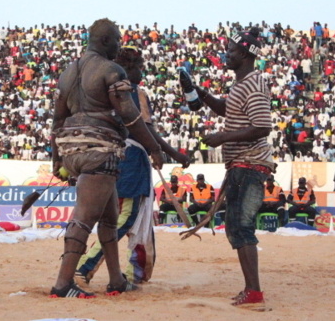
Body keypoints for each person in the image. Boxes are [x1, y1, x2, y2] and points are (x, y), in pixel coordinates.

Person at [51, 18, 165, 298]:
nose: (119, 44)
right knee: (84, 218)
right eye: (116, 39)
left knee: (110, 217)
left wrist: (56, 159)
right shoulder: (110, 69)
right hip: (99, 149)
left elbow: (57, 118)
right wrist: (154, 148)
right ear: (104, 41)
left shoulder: (68, 71)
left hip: (71, 148)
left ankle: (116, 279)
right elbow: (130, 115)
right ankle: (63, 283)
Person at [74, 46, 190, 287]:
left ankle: (133, 273)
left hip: (109, 156)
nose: (142, 72)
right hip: (132, 159)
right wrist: (169, 153)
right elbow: (145, 129)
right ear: (127, 69)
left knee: (132, 219)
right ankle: (84, 267)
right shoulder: (133, 92)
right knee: (126, 218)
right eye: (139, 67)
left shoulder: (100, 91)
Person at [182, 27, 273, 310]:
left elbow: (262, 126)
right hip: (243, 163)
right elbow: (228, 111)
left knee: (239, 227)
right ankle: (251, 289)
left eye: (231, 51)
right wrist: (201, 94)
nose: (226, 55)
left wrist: (222, 137)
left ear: (244, 54)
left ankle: (254, 291)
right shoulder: (242, 84)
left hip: (249, 163)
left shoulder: (252, 83)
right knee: (237, 226)